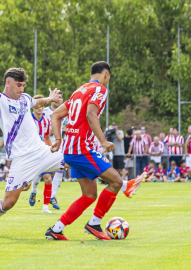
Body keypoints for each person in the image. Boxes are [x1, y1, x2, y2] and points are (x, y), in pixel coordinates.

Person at [0, 50, 66, 237]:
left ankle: (122, 184)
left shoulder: (25, 98)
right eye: (18, 85)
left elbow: (37, 102)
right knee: (9, 203)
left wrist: (50, 99)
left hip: (42, 151)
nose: (21, 89)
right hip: (21, 159)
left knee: (77, 158)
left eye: (23, 85)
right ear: (8, 83)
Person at [44, 61, 142, 241]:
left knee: (89, 195)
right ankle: (94, 223)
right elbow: (91, 114)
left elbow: (55, 115)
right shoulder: (100, 90)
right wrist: (103, 141)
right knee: (115, 182)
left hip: (70, 150)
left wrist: (58, 139)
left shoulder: (78, 91)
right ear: (106, 75)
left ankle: (56, 230)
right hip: (82, 148)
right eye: (109, 78)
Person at [28, 94, 55, 213]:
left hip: (43, 151)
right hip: (31, 153)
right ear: (33, 107)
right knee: (31, 178)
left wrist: (50, 150)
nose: (39, 107)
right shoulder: (28, 120)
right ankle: (33, 190)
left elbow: (47, 136)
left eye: (41, 105)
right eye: (37, 105)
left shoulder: (46, 121)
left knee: (48, 179)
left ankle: (45, 207)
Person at [42, 90, 66, 209]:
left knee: (61, 168)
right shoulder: (45, 111)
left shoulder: (65, 110)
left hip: (59, 143)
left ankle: (53, 196)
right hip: (45, 143)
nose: (59, 99)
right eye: (57, 96)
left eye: (61, 97)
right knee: (43, 170)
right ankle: (34, 190)